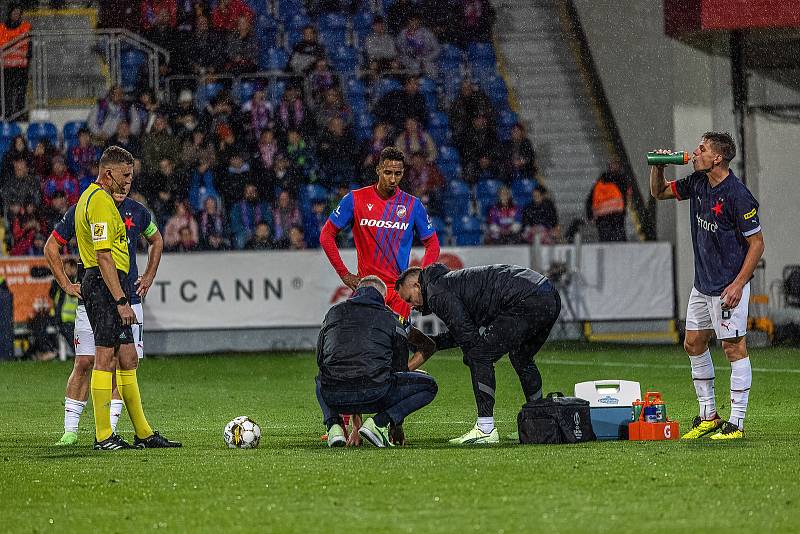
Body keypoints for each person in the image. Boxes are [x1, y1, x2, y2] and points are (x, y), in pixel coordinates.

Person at [45, 150, 168, 447]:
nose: (128, 182)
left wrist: (139, 283)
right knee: (100, 359)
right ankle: (102, 435)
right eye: (125, 175)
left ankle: (143, 433)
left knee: (127, 357)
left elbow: (154, 240)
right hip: (105, 289)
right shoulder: (98, 202)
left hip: (115, 289)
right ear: (109, 173)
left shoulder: (125, 207)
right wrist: (120, 300)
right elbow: (103, 256)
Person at [649, 132, 765, 440]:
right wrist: (659, 165)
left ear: (717, 158)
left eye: (701, 149)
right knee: (693, 343)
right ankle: (708, 415)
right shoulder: (697, 183)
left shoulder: (738, 195)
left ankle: (736, 423)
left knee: (733, 347)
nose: (694, 152)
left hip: (729, 286)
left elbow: (757, 244)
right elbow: (658, 192)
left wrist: (739, 284)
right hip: (702, 285)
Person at [395, 263, 562, 444]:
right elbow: (464, 329)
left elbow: (469, 339)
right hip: (548, 295)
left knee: (479, 355)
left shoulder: (437, 294)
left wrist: (471, 356)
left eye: (409, 299)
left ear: (417, 286)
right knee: (521, 357)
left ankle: (485, 428)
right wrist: (435, 343)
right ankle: (537, 424)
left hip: (527, 299)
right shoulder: (448, 283)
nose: (411, 306)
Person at [320, 146, 440, 322]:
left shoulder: (412, 205)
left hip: (399, 294)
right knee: (366, 346)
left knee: (397, 346)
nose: (392, 179)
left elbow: (433, 244)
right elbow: (326, 235)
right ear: (378, 170)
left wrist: (421, 279)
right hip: (369, 289)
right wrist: (344, 274)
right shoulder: (355, 199)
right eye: (387, 172)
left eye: (397, 174)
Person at [316, 276, 438, 448]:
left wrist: (356, 427)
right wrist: (397, 423)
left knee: (322, 377)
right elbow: (398, 371)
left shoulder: (333, 314)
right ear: (382, 297)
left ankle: (334, 426)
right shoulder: (391, 318)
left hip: (335, 397)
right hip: (376, 395)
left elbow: (322, 360)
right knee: (429, 386)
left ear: (356, 293)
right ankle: (379, 423)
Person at [585, 161, 630, 242]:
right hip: (617, 217)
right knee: (619, 243)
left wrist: (590, 215)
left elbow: (590, 199)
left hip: (602, 218)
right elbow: (626, 196)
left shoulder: (601, 181)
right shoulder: (621, 180)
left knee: (605, 242)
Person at [0, 4, 31, 118]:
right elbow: (2, 45)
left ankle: (20, 116)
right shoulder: (2, 28)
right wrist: (17, 40)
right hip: (6, 69)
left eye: (18, 13)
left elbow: (28, 46)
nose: (16, 15)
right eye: (14, 13)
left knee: (20, 95)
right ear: (9, 13)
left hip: (21, 68)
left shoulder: (25, 26)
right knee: (6, 95)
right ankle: (7, 116)